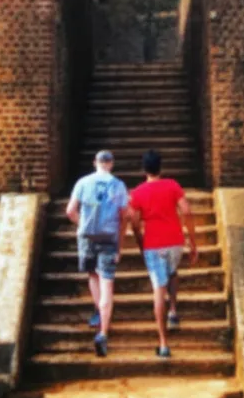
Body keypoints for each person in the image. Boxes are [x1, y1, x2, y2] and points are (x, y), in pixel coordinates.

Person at [125, 150, 198, 358]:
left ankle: (164, 344)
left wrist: (141, 243)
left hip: (154, 244)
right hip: (175, 241)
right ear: (161, 167)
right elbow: (187, 211)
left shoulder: (137, 193)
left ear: (144, 169)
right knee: (173, 272)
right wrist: (193, 243)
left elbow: (134, 222)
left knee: (159, 289)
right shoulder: (172, 185)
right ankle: (173, 310)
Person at [67, 150, 129, 357]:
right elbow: (124, 216)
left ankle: (97, 313)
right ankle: (103, 333)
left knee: (92, 275)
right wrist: (120, 245)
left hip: (87, 237)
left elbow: (70, 211)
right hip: (108, 238)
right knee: (107, 282)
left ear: (95, 162)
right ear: (111, 164)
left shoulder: (83, 182)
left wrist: (81, 225)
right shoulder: (118, 185)